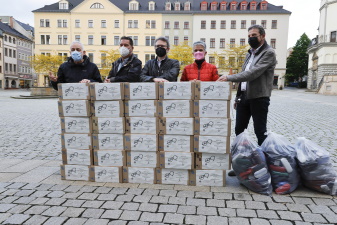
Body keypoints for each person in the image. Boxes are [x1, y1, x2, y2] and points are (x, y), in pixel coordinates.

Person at [217, 25, 277, 176]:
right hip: (244, 98)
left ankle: (264, 167)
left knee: (260, 132)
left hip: (259, 98)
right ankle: (240, 166)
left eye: (254, 35)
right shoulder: (250, 53)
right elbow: (244, 75)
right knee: (239, 132)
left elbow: (252, 74)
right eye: (249, 35)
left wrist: (229, 77)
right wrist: (238, 97)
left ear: (263, 36)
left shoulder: (268, 53)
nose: (251, 38)